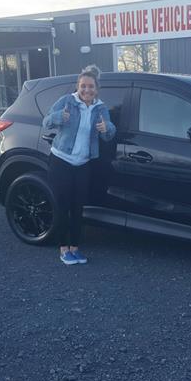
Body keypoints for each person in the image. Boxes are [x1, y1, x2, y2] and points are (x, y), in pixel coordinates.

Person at [42, 65, 116, 265]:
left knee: (78, 207)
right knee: (63, 205)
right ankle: (63, 248)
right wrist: (58, 117)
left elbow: (109, 135)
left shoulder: (100, 108)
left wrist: (106, 128)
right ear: (78, 86)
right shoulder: (67, 101)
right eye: (83, 86)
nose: (86, 90)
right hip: (61, 161)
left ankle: (75, 248)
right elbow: (46, 122)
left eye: (90, 86)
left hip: (83, 164)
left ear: (96, 89)